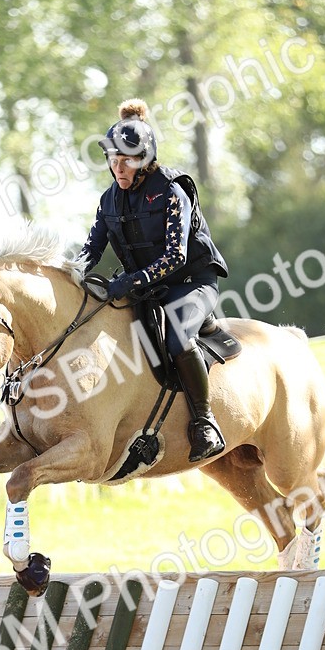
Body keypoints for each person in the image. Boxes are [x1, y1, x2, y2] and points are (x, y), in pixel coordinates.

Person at [75, 98, 228, 463]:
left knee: (177, 335)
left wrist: (130, 281)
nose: (118, 167)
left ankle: (205, 422)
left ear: (144, 160)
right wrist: (69, 273)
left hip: (193, 283)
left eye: (126, 159)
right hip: (148, 289)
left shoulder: (172, 190)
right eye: (113, 159)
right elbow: (91, 248)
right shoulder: (109, 200)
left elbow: (176, 256)